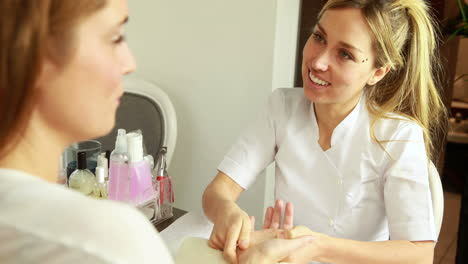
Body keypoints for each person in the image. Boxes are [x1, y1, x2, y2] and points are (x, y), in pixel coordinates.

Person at [0, 1, 312, 263]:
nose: (129, 62)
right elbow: (217, 193)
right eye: (115, 37)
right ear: (37, 56)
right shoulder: (109, 239)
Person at [203, 0, 447, 263]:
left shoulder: (398, 137)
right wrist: (228, 214)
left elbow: (419, 255)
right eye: (319, 37)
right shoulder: (282, 107)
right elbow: (217, 192)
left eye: (345, 54)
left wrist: (315, 246)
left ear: (377, 72)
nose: (317, 62)